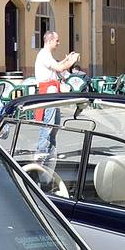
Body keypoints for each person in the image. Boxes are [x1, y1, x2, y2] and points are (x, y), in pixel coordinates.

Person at [32, 30, 78, 160]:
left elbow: (57, 65)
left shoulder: (47, 55)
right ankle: (42, 152)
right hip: (48, 92)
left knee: (55, 124)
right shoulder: (44, 54)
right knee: (49, 124)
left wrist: (67, 59)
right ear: (50, 41)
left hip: (52, 92)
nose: (58, 43)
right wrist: (71, 61)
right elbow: (58, 68)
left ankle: (50, 152)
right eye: (57, 40)